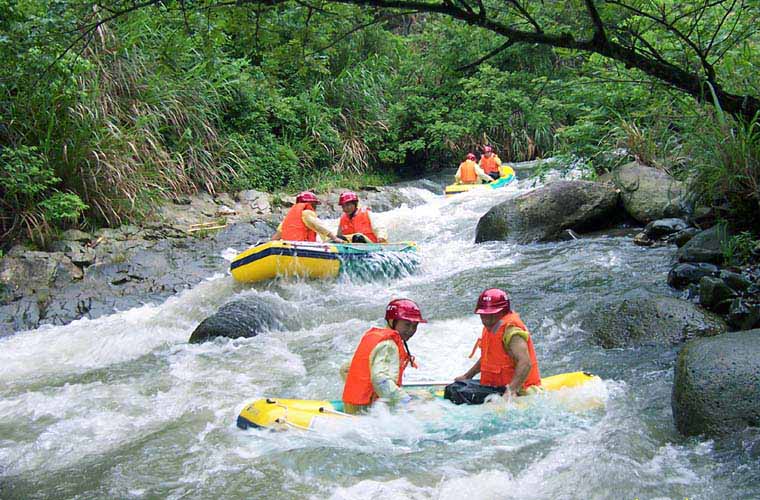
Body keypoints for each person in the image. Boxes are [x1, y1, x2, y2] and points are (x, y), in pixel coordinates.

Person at [341, 298, 427, 414]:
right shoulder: (388, 345)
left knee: (423, 395)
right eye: (407, 325)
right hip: (368, 412)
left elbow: (345, 369)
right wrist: (406, 402)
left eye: (415, 326)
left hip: (356, 406)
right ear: (392, 321)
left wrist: (359, 392)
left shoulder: (378, 338)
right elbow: (380, 379)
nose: (411, 330)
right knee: (425, 399)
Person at [455, 288, 542, 399]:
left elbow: (525, 363)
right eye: (484, 315)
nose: (487, 320)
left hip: (522, 391)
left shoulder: (511, 331)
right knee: (455, 390)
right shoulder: (492, 327)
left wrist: (511, 391)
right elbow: (488, 358)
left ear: (503, 312)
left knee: (457, 395)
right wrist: (467, 376)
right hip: (495, 388)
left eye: (492, 314)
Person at [271, 191, 346, 243]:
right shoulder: (307, 213)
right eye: (315, 205)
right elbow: (319, 227)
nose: (315, 207)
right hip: (303, 247)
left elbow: (275, 238)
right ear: (311, 204)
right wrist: (334, 238)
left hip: (290, 248)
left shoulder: (287, 219)